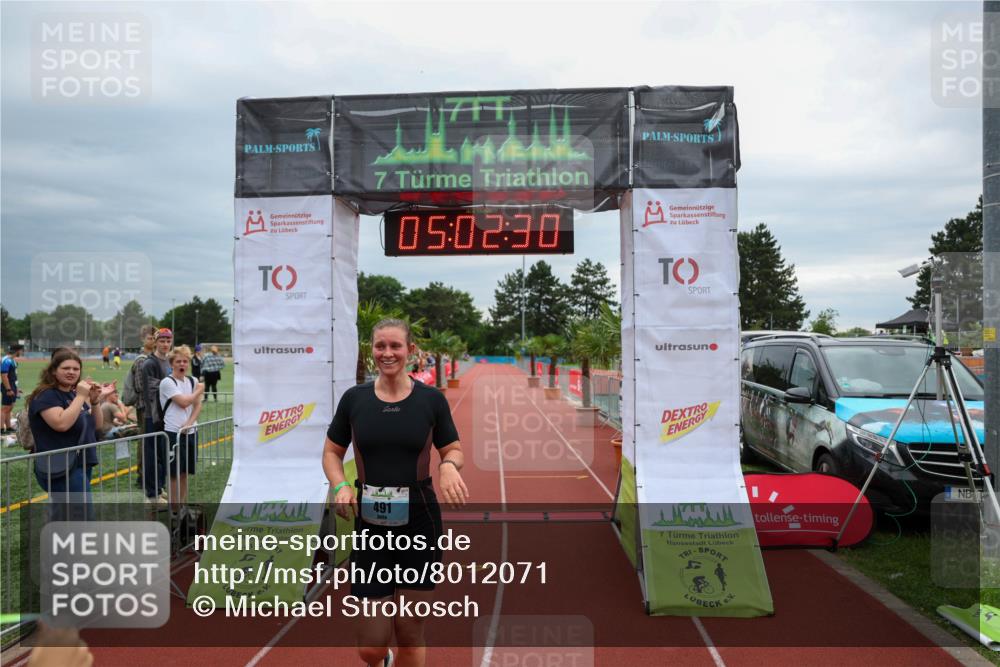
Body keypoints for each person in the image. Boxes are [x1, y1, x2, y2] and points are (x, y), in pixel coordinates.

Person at [322, 318, 469, 667]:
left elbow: (453, 449)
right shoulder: (354, 400)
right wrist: (341, 485)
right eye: (380, 346)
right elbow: (331, 452)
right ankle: (384, 659)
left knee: (410, 629)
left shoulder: (431, 400)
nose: (387, 353)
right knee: (370, 648)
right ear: (372, 350)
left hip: (420, 522)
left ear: (410, 350)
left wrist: (448, 466)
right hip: (370, 527)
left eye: (395, 346)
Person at [26, 348, 114, 518]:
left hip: (80, 463)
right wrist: (81, 396)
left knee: (64, 516)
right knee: (82, 517)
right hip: (59, 466)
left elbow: (97, 425)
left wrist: (95, 402)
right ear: (53, 371)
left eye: (76, 369)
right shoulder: (46, 395)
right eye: (66, 368)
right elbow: (61, 424)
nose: (71, 372)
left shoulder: (73, 395)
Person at [159, 345, 204, 506]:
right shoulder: (167, 382)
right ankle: (174, 510)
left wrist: (189, 424)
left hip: (190, 432)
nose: (182, 364)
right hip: (173, 433)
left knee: (184, 473)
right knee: (174, 474)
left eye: (185, 361)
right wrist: (199, 390)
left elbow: (197, 405)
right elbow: (184, 402)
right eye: (178, 361)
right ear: (172, 364)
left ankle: (181, 506)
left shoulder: (192, 381)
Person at [140, 328, 173, 505]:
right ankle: (151, 494)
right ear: (155, 342)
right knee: (151, 455)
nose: (165, 344)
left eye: (168, 341)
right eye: (162, 341)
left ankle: (159, 488)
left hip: (166, 415)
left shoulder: (168, 361)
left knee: (162, 453)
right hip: (152, 415)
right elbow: (151, 391)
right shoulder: (149, 363)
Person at [2, 344, 24, 435]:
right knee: (5, 408)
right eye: (21, 350)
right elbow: (4, 376)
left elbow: (13, 376)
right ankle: (1, 430)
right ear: (17, 351)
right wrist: (8, 389)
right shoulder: (6, 360)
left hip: (12, 386)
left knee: (10, 407)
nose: (22, 352)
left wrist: (16, 388)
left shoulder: (13, 360)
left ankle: (8, 427)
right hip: (7, 386)